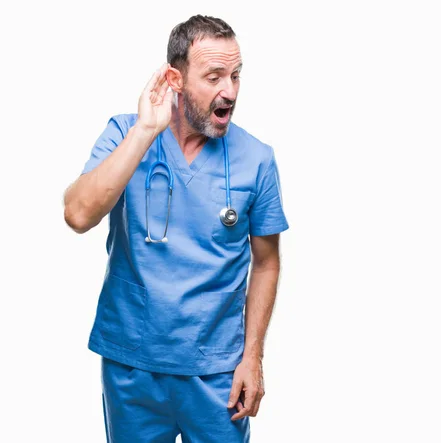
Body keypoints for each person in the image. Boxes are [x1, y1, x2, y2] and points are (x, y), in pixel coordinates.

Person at [63, 14, 289, 443]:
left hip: (218, 374)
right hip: (132, 365)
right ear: (176, 78)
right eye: (214, 76)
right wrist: (147, 130)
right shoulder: (125, 133)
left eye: (236, 75)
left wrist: (253, 358)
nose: (230, 91)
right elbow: (78, 214)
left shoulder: (256, 159)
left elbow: (266, 264)